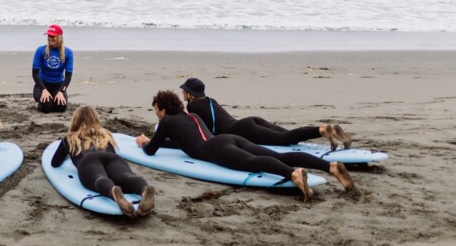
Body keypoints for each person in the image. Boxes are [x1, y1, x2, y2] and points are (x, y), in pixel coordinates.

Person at [135, 90, 355, 201]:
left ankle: (293, 175)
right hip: (227, 140)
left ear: (162, 110)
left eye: (155, 109)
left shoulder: (166, 122)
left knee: (254, 163)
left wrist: (143, 141)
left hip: (215, 150)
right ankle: (331, 167)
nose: (155, 113)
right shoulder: (190, 116)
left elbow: (151, 150)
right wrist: (170, 144)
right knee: (279, 154)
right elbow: (185, 142)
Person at [179, 78, 352, 150]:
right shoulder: (210, 100)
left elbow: (199, 130)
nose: (182, 93)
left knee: (284, 140)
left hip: (242, 131)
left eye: (184, 91)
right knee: (288, 135)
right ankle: (329, 130)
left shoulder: (193, 107)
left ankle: (322, 130)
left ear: (189, 93)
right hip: (249, 121)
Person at [51, 106, 155, 217]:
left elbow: (55, 162)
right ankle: (144, 189)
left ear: (75, 122)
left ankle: (113, 191)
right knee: (125, 177)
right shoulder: (106, 134)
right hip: (112, 159)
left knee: (99, 178)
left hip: (88, 161)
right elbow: (112, 153)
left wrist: (69, 154)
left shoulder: (70, 138)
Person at [32, 24, 74, 113]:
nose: (50, 38)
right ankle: (42, 103)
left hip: (58, 86)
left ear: (59, 37)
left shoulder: (68, 53)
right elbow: (35, 73)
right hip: (42, 85)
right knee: (47, 108)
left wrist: (61, 92)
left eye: (52, 36)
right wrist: (43, 90)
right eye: (48, 35)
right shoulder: (40, 50)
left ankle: (54, 97)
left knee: (60, 107)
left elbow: (68, 76)